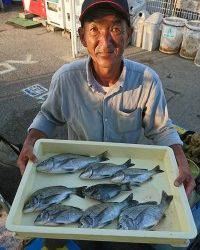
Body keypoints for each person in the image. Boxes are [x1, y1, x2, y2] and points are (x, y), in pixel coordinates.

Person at [18, 0, 195, 196]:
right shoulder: (66, 78)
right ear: (82, 37)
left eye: (115, 29)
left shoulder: (147, 80)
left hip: (126, 174)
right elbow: (49, 116)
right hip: (80, 174)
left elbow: (162, 129)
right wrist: (30, 142)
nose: (105, 40)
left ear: (129, 34)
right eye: (94, 29)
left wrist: (181, 162)